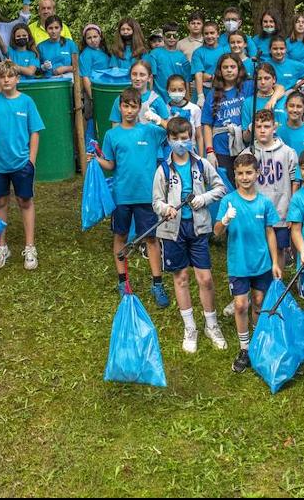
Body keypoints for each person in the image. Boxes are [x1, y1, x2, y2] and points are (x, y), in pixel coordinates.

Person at [152, 116, 229, 351]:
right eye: (175, 139)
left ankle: (211, 324)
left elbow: (220, 188)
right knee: (181, 278)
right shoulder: (163, 169)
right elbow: (156, 201)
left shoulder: (202, 165)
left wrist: (202, 199)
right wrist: (165, 208)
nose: (180, 143)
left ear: (191, 139)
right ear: (169, 140)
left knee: (205, 278)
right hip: (173, 231)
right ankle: (190, 327)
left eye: (184, 139)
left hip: (198, 228)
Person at [93, 88, 170, 304]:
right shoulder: (112, 135)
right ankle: (122, 281)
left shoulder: (150, 131)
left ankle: (157, 283)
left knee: (151, 238)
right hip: (122, 196)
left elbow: (175, 129)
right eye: (125, 106)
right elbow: (110, 164)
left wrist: (159, 120)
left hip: (147, 196)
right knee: (120, 236)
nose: (129, 110)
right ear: (120, 107)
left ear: (139, 107)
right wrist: (96, 159)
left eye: (133, 106)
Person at [0, 59, 45, 270]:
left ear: (17, 79)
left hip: (21, 162)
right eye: (2, 77)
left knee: (25, 201)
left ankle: (30, 246)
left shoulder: (27, 102)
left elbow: (35, 133)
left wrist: (31, 160)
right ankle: (1, 246)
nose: (6, 80)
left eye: (10, 76)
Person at [213, 152, 280, 374]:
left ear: (257, 173)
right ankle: (244, 348)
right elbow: (217, 233)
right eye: (240, 173)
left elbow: (270, 232)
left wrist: (275, 262)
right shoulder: (228, 201)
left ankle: (258, 341)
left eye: (249, 172)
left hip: (261, 263)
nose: (244, 177)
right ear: (235, 175)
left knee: (259, 303)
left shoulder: (264, 203)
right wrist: (224, 220)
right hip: (238, 263)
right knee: (241, 305)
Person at [243, 109, 300, 269]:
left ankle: (277, 282)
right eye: (258, 126)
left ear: (274, 127)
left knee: (279, 249)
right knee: (259, 248)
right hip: (257, 211)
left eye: (266, 126)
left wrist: (292, 209)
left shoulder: (288, 152)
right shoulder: (248, 153)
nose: (262, 130)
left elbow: (295, 181)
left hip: (281, 210)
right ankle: (261, 282)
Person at [200, 53, 252, 183]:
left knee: (245, 182)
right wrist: (210, 151)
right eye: (225, 67)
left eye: (233, 66)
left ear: (239, 69)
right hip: (221, 148)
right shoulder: (212, 94)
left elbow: (276, 88)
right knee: (226, 184)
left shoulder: (248, 86)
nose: (229, 70)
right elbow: (207, 124)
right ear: (220, 70)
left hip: (244, 145)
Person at [107, 60, 169, 127]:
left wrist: (158, 119)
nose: (138, 78)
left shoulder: (156, 99)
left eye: (142, 75)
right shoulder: (121, 99)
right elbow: (115, 126)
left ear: (149, 78)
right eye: (134, 74)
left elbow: (168, 126)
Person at [146, 22, 189, 96]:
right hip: (158, 98)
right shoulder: (154, 54)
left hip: (177, 98)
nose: (172, 38)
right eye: (168, 35)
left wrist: (187, 98)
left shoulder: (182, 57)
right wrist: (149, 98)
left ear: (178, 37)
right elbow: (150, 78)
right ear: (163, 37)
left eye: (175, 36)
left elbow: (186, 80)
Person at [163, 74, 203, 149]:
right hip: (170, 151)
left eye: (180, 90)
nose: (177, 92)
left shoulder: (195, 109)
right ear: (167, 90)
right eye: (173, 90)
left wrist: (200, 158)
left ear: (185, 90)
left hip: (190, 151)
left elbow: (199, 136)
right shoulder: (164, 109)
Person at [190, 21, 225, 103]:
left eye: (212, 33)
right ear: (203, 35)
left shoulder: (225, 50)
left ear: (218, 34)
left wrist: (210, 77)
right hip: (202, 90)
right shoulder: (198, 52)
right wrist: (200, 95)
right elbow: (198, 74)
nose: (209, 36)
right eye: (206, 33)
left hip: (221, 90)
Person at [276, 91, 304, 156]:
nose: (295, 110)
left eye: (299, 106)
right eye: (291, 106)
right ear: (285, 107)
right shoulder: (279, 131)